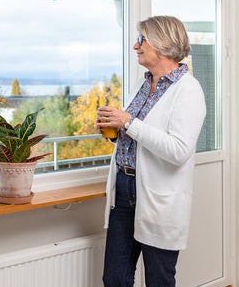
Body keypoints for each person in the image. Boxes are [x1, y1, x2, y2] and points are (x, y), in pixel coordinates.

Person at [97, 16, 206, 286]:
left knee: (159, 279)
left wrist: (128, 123)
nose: (136, 46)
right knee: (115, 278)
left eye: (141, 39)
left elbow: (178, 150)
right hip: (124, 190)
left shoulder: (188, 90)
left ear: (163, 43)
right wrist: (115, 131)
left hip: (158, 197)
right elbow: (138, 137)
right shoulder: (142, 84)